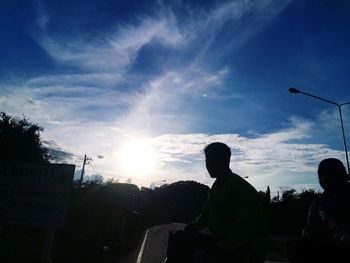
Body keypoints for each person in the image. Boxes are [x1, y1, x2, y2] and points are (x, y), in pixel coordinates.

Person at [167, 142, 267, 263]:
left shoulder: (238, 186)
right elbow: (206, 216)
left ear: (223, 161)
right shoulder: (217, 186)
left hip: (242, 249)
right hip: (222, 241)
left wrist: (224, 246)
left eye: (211, 161)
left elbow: (246, 225)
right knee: (179, 237)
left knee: (182, 242)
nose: (207, 165)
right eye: (206, 161)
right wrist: (192, 227)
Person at [287, 158, 350, 263]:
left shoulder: (320, 202)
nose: (323, 179)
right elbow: (310, 232)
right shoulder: (319, 203)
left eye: (327, 175)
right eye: (321, 175)